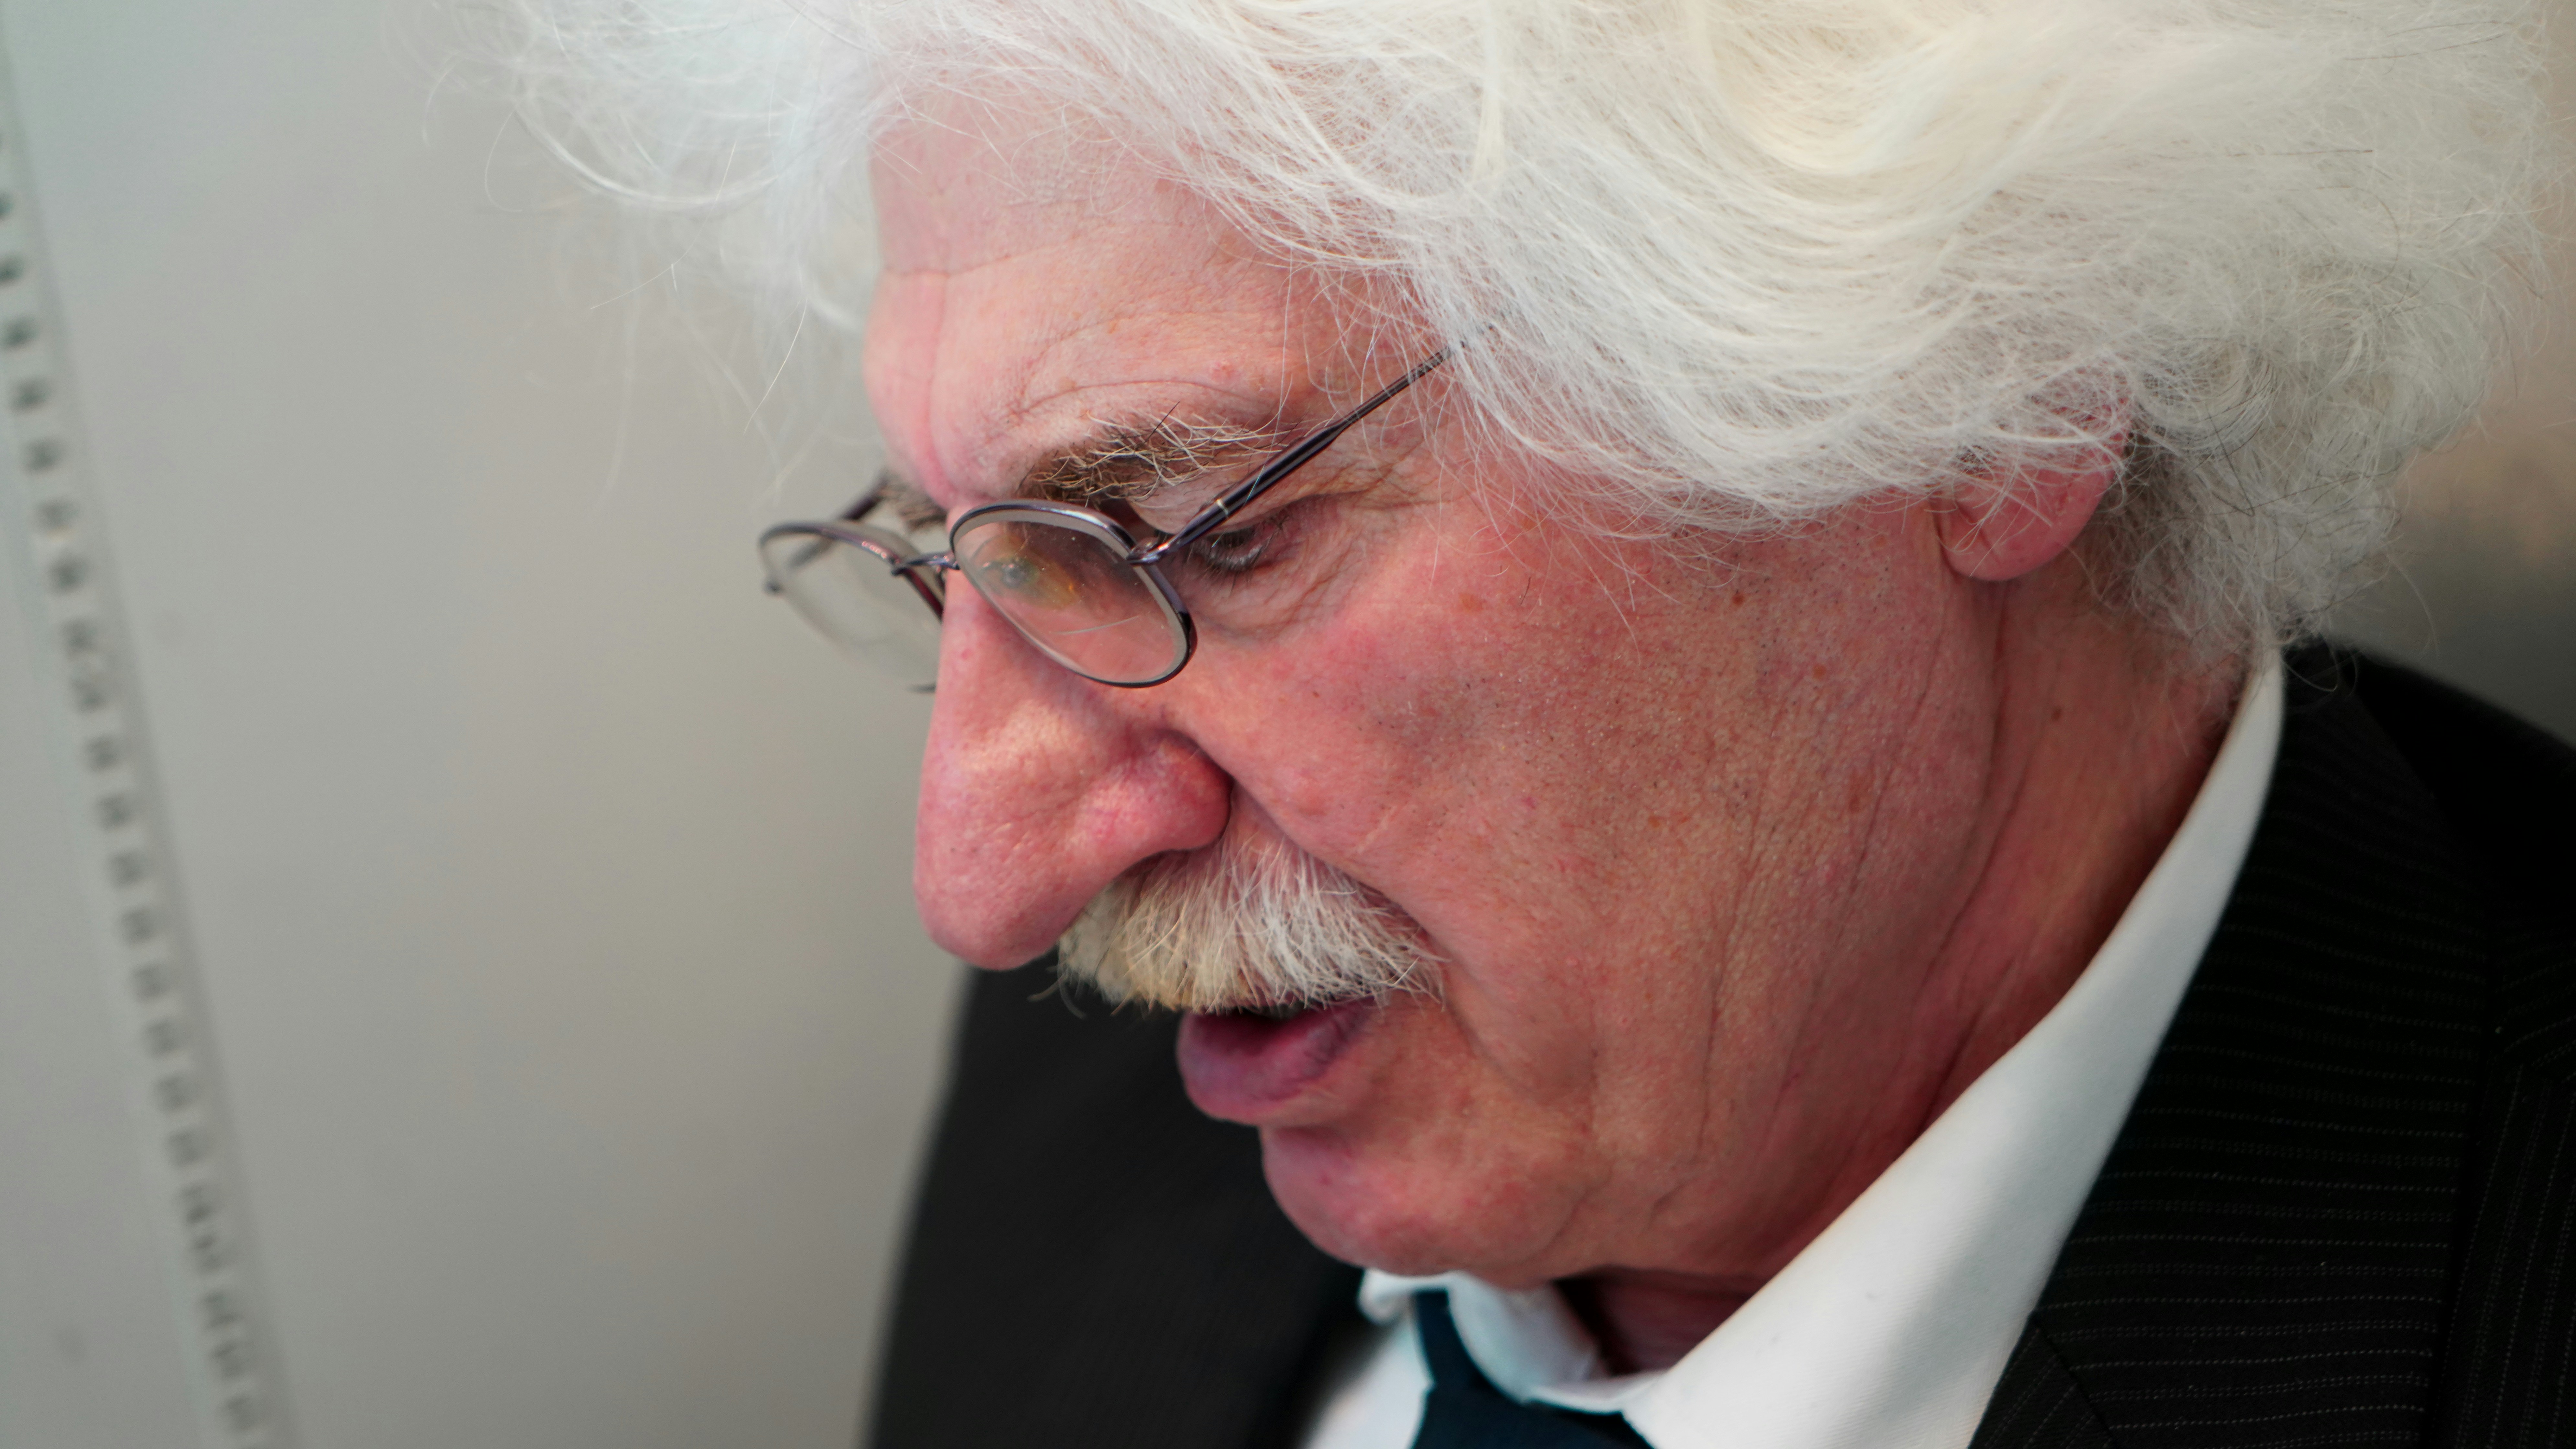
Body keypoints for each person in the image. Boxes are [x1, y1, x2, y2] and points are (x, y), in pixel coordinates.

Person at [505, 2, 2571, 1444]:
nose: (991, 877)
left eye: (1184, 536)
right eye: (976, 552)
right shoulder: (1164, 1076)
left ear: (1996, 382)